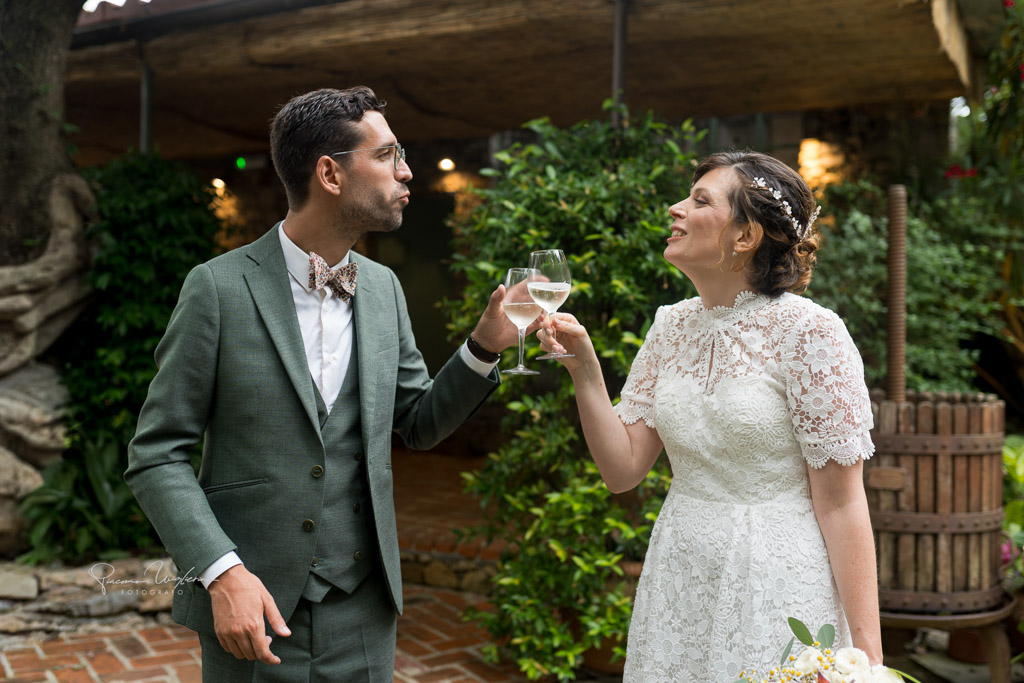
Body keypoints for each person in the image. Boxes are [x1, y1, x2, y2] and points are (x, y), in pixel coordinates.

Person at [125, 86, 526, 681]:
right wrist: (221, 572)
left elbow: (417, 423)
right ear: (330, 174)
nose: (406, 172)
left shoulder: (384, 288)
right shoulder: (217, 288)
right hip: (252, 611)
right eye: (387, 155)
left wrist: (484, 346)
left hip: (365, 613)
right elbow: (157, 454)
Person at [538, 150, 882, 681]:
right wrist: (584, 369)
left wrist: (868, 662)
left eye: (699, 201)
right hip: (680, 574)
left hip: (776, 583)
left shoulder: (811, 332)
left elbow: (842, 505)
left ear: (745, 236)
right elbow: (622, 469)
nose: (675, 208)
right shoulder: (670, 326)